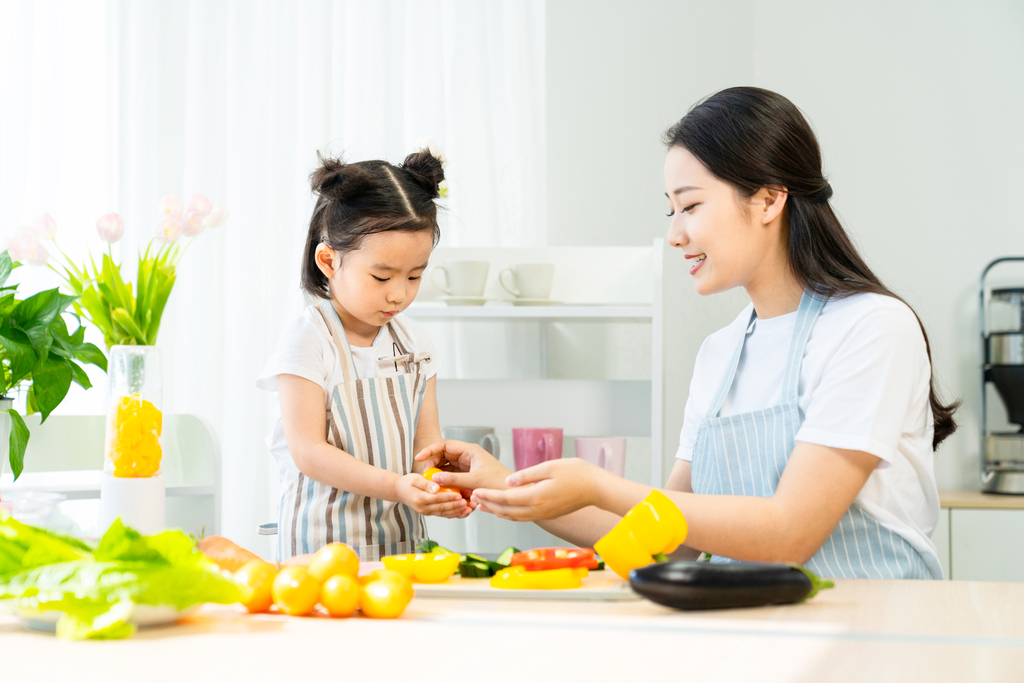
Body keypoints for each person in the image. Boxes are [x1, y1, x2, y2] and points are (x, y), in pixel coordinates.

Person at [418, 87, 957, 580]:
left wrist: (601, 482)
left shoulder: (870, 329)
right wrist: (502, 483)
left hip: (874, 637)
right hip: (755, 632)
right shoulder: (720, 354)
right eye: (671, 210)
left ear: (770, 199)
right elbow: (661, 545)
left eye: (691, 205)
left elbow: (791, 531)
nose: (674, 234)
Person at [257, 150, 469, 562]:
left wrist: (438, 483)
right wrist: (396, 486)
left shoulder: (415, 344)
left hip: (401, 545)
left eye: (414, 276)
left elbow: (426, 443)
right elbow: (309, 452)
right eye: (382, 276)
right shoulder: (308, 339)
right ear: (328, 261)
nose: (398, 293)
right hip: (320, 550)